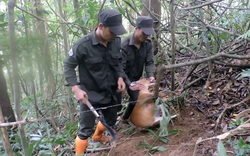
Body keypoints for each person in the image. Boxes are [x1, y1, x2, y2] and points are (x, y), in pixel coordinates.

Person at [63, 9, 127, 155]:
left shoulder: (115, 41)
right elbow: (68, 66)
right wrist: (76, 89)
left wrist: (120, 77)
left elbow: (118, 63)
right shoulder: (82, 45)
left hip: (111, 91)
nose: (115, 36)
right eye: (112, 32)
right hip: (90, 93)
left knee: (110, 119)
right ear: (101, 26)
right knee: (85, 129)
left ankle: (98, 136)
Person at [117, 16, 156, 122]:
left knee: (135, 97)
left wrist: (151, 75)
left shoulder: (147, 44)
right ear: (136, 29)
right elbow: (120, 68)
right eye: (144, 33)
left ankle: (124, 118)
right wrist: (129, 84)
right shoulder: (123, 45)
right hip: (119, 76)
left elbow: (149, 62)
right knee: (115, 103)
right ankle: (106, 121)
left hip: (135, 76)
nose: (146, 36)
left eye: (148, 33)